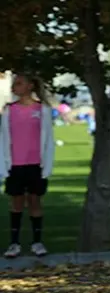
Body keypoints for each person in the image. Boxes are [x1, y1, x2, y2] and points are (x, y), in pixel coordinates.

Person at [0, 73, 55, 258]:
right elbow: (3, 139)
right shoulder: (9, 110)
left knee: (34, 202)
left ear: (30, 86)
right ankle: (14, 243)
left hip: (35, 164)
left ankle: (37, 242)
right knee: (16, 203)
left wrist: (46, 165)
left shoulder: (42, 110)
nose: (15, 87)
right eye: (14, 84)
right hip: (15, 164)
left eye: (19, 84)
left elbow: (48, 139)